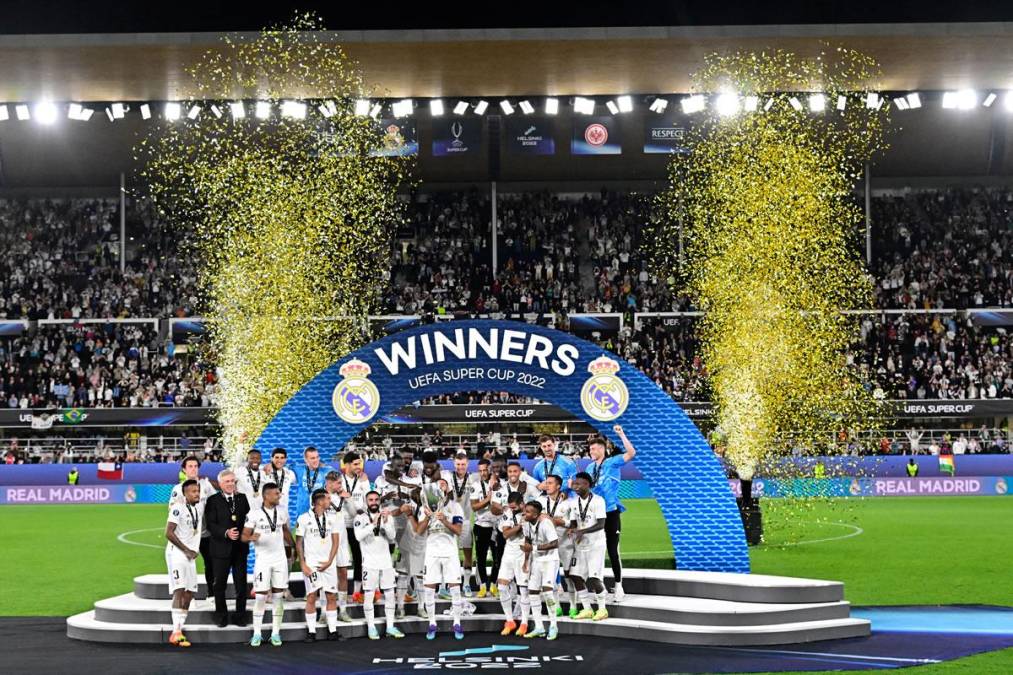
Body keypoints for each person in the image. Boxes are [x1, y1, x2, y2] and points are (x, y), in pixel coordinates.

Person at [587, 425, 636, 602]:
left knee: (613, 551)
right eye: (590, 448)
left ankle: (618, 586)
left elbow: (631, 453)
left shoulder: (613, 462)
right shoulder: (589, 468)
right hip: (595, 514)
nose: (591, 451)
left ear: (602, 449)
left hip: (611, 512)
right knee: (596, 552)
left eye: (593, 448)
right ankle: (600, 589)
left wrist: (621, 434)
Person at [413, 478, 465, 641]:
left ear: (448, 488)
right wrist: (428, 517)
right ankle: (432, 623)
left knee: (455, 588)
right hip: (432, 552)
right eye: (439, 485)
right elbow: (419, 531)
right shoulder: (425, 507)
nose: (441, 486)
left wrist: (444, 520)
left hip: (450, 552)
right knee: (429, 588)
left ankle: (457, 622)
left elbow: (458, 531)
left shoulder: (455, 507)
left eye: (444, 484)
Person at [243, 482, 294, 647]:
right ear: (266, 496)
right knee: (260, 596)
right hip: (263, 560)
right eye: (276, 494)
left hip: (279, 559)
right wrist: (251, 538)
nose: (279, 496)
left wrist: (293, 547)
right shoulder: (254, 514)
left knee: (279, 597)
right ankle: (257, 633)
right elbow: (244, 536)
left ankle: (275, 633)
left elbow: (285, 531)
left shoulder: (282, 511)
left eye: (279, 493)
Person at [354, 490, 405, 639]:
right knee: (369, 595)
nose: (374, 502)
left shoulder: (386, 517)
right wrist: (373, 523)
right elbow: (358, 536)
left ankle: (390, 626)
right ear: (366, 501)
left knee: (390, 594)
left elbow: (391, 537)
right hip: (369, 563)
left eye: (376, 499)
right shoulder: (360, 518)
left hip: (386, 562)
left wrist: (386, 522)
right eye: (371, 500)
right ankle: (371, 627)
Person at [205, 469, 251, 628]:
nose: (231, 484)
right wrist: (225, 532)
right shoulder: (212, 500)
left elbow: (249, 520)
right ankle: (221, 616)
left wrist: (248, 534)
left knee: (241, 584)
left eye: (233, 481)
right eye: (227, 481)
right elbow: (210, 524)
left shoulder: (242, 499)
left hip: (240, 549)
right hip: (220, 549)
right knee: (219, 585)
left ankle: (240, 616)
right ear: (219, 484)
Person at [295, 489, 342, 642]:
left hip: (328, 564)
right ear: (319, 501)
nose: (330, 501)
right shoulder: (303, 519)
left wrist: (330, 561)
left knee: (331, 596)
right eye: (328, 498)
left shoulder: (332, 518)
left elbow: (336, 541)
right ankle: (311, 632)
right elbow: (299, 543)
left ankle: (333, 631)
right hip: (311, 565)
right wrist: (302, 563)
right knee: (311, 596)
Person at [169, 456, 217, 604]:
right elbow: (172, 510)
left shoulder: (206, 485)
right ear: (184, 469)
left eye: (196, 466)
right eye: (190, 466)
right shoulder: (178, 489)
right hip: (187, 536)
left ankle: (211, 594)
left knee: (211, 563)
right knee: (188, 563)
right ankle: (190, 596)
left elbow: (215, 503)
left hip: (205, 532)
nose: (193, 469)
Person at [165, 479, 203, 647]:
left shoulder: (198, 508)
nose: (197, 494)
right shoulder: (177, 508)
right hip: (177, 554)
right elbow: (168, 533)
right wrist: (186, 549)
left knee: (190, 592)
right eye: (193, 491)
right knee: (179, 590)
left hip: (190, 556)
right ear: (185, 494)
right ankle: (175, 632)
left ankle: (179, 628)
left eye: (198, 491)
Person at [568, 472, 609, 621]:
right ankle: (587, 609)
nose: (575, 486)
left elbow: (601, 523)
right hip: (580, 544)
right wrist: (572, 529)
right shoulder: (573, 502)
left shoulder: (598, 501)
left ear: (587, 485)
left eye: (579, 484)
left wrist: (582, 531)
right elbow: (574, 522)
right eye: (574, 484)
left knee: (593, 578)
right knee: (575, 576)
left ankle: (602, 609)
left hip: (596, 545)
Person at [521, 500, 560, 640]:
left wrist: (534, 549)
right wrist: (526, 560)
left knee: (548, 592)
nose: (525, 513)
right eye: (525, 510)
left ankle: (554, 626)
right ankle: (539, 627)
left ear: (536, 514)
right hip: (536, 560)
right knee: (532, 591)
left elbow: (555, 543)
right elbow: (527, 542)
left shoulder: (545, 524)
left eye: (528, 512)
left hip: (550, 560)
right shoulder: (526, 524)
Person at [540, 475, 577, 617]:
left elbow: (573, 524)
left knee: (569, 575)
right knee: (551, 576)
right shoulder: (540, 501)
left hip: (565, 543)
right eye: (546, 483)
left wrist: (562, 522)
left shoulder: (569, 503)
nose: (547, 485)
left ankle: (573, 606)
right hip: (548, 545)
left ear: (558, 486)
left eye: (550, 483)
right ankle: (557, 607)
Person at [470, 457, 507, 598]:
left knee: (498, 557)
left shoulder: (502, 484)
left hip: (497, 526)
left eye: (485, 470)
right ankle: (482, 586)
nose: (483, 473)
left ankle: (493, 585)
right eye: (480, 471)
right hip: (481, 525)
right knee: (481, 557)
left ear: (490, 469)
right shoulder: (475, 485)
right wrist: (489, 498)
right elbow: (474, 507)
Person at [338, 451, 372, 603]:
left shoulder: (363, 480)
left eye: (360, 464)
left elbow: (368, 502)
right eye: (356, 464)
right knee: (340, 560)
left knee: (360, 557)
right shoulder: (339, 480)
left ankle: (356, 593)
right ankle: (338, 594)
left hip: (358, 526)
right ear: (347, 465)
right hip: (342, 525)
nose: (359, 467)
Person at [443, 451, 478, 595]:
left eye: (463, 464)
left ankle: (466, 584)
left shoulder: (474, 478)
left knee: (468, 554)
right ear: (454, 464)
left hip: (465, 522)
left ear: (468, 464)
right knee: (447, 554)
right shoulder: (447, 476)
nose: (460, 467)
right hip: (450, 522)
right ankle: (445, 586)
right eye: (458, 464)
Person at [497, 491, 530, 636]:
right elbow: (505, 534)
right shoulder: (507, 514)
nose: (512, 510)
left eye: (515, 507)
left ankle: (524, 622)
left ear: (522, 503)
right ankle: (509, 620)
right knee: (502, 586)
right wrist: (518, 527)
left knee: (523, 589)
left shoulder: (530, 513)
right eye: (510, 507)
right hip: (509, 553)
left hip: (523, 553)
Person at [323, 470, 354, 622]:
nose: (340, 486)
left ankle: (343, 610)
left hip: (341, 541)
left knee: (343, 574)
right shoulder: (318, 495)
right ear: (329, 483)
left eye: (341, 482)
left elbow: (354, 513)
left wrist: (348, 499)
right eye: (338, 483)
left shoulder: (342, 496)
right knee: (325, 576)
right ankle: (324, 611)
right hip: (326, 543)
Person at [262, 448, 296, 514]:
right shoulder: (264, 470)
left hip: (283, 512)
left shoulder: (290, 473)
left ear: (285, 459)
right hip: (267, 511)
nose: (279, 460)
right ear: (272, 458)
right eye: (276, 457)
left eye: (282, 458)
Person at [296, 446, 328, 516]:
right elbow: (282, 468)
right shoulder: (299, 470)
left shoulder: (325, 470)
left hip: (319, 511)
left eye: (317, 457)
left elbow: (340, 470)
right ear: (305, 459)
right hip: (302, 513)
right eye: (312, 458)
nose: (316, 460)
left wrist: (325, 465)